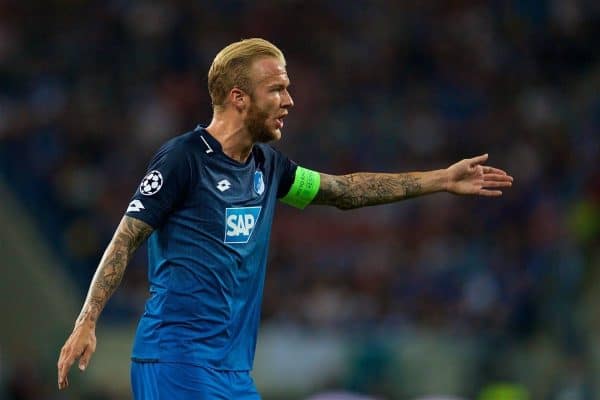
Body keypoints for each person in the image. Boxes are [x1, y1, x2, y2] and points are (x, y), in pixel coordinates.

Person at [57, 38, 513, 399]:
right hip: (176, 361)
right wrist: (87, 319)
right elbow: (126, 237)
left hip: (233, 373)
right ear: (239, 97)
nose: (289, 100)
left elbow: (343, 192)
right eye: (276, 89)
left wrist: (440, 180)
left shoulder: (269, 167)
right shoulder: (183, 160)